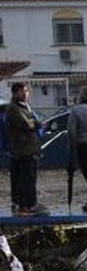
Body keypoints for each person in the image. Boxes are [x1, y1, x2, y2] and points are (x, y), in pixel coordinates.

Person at [6, 82, 48, 216]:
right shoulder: (14, 108)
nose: (25, 93)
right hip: (24, 149)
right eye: (21, 91)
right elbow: (27, 124)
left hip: (30, 148)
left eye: (26, 91)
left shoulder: (26, 107)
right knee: (26, 178)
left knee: (28, 177)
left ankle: (28, 203)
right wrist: (38, 123)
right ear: (15, 93)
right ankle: (28, 205)